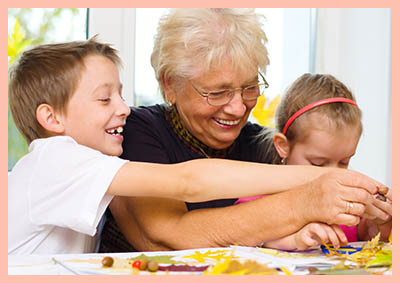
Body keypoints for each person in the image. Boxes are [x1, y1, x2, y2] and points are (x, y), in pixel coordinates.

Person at [8, 39, 360, 255]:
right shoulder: (58, 160)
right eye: (104, 99)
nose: (124, 108)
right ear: (51, 118)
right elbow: (189, 182)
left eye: (120, 94)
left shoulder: (81, 165)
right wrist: (310, 181)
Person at [100, 8, 390, 252]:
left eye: (250, 88)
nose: (238, 108)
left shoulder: (263, 146)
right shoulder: (135, 131)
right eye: (218, 92)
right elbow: (168, 235)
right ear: (170, 84)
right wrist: (305, 203)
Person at [235, 73, 392, 250]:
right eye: (318, 163)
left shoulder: (348, 200)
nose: (333, 174)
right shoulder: (259, 197)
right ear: (283, 146)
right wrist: (294, 240)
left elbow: (367, 238)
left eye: (344, 162)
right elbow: (247, 237)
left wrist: (380, 223)